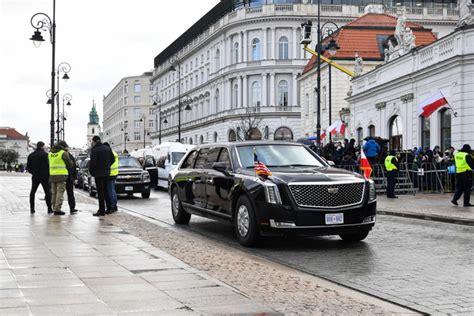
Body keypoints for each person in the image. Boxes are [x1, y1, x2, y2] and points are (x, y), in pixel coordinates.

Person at [89, 136, 114, 216]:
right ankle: (109, 209)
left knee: (100, 192)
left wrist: (92, 171)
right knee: (106, 190)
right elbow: (112, 159)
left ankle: (101, 210)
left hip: (98, 173)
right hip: (106, 172)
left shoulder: (94, 150)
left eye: (92, 142)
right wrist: (107, 166)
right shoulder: (107, 148)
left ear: (95, 141)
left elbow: (93, 163)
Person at [27, 141, 52, 214]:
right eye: (44, 146)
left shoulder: (31, 155)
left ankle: (32, 209)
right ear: (42, 146)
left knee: (33, 192)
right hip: (45, 176)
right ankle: (49, 208)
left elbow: (29, 167)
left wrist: (33, 172)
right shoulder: (46, 155)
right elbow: (49, 165)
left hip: (35, 176)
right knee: (47, 192)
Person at [48, 141, 74, 215]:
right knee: (60, 192)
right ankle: (57, 209)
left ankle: (54, 207)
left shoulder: (50, 153)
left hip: (52, 175)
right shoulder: (63, 153)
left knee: (54, 193)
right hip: (61, 175)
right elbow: (70, 164)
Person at [104, 142, 118, 214]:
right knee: (113, 190)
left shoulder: (108, 153)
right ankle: (115, 206)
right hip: (115, 173)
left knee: (109, 191)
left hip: (109, 173)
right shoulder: (114, 153)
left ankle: (111, 207)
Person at [64, 146, 78, 214]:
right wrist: (74, 177)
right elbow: (74, 167)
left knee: (58, 193)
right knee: (70, 193)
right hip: (69, 177)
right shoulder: (70, 156)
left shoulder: (59, 154)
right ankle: (72, 208)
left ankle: (55, 208)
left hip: (62, 176)